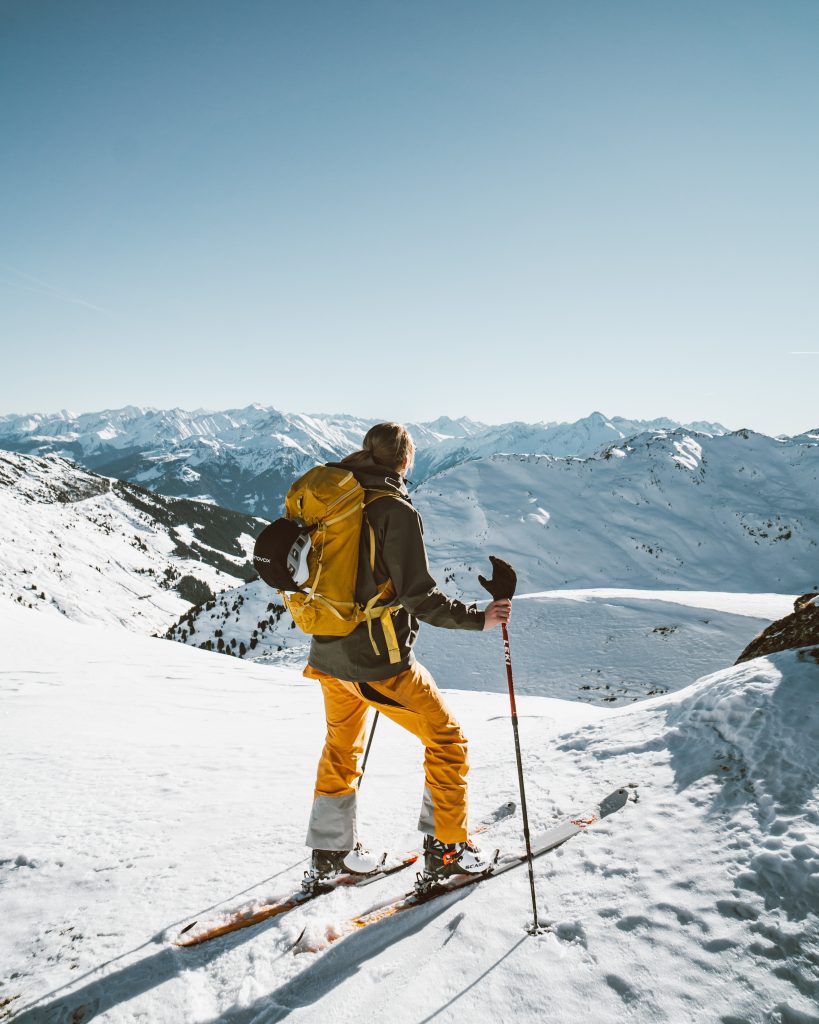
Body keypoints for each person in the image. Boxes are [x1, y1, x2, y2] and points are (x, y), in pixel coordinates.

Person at [302, 422, 512, 887]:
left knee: (341, 749)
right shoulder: (393, 510)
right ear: (405, 461)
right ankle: (448, 849)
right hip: (377, 662)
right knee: (447, 741)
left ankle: (330, 853)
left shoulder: (336, 497)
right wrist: (481, 618)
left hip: (327, 653)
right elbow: (420, 597)